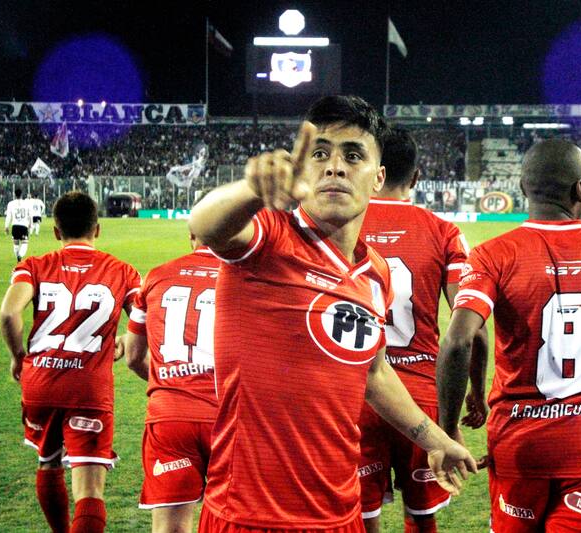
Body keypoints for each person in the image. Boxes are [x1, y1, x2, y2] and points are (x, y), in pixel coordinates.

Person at [188, 95, 477, 533]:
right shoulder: (269, 236)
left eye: (353, 155)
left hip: (340, 515)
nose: (335, 167)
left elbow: (375, 372)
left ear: (378, 178)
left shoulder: (374, 272)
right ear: (302, 169)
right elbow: (207, 225)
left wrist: (435, 440)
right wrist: (251, 189)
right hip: (250, 515)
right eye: (320, 153)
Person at [437, 139, 581, 532]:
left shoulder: (491, 254)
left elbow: (457, 341)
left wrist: (447, 428)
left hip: (520, 449)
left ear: (522, 188)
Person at [357, 127, 487, 533]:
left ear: (374, 172)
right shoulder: (443, 231)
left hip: (355, 395)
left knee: (360, 516)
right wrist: (476, 392)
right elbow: (473, 329)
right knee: (422, 515)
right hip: (420, 397)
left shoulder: (340, 224)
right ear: (415, 178)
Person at [0, 191, 141, 533]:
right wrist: (125, 341)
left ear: (56, 231)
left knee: (48, 463)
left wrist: (18, 356)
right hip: (88, 387)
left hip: (41, 381)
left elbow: (8, 313)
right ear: (98, 229)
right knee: (90, 489)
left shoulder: (33, 266)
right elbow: (148, 320)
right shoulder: (123, 271)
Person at [124, 233, 220, 533]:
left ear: (193, 235)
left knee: (170, 529)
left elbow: (133, 356)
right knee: (232, 522)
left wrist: (172, 381)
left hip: (170, 417)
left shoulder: (156, 276)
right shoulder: (251, 276)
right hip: (230, 419)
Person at [5, 188, 33, 262]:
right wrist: (31, 224)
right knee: (25, 243)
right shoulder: (27, 203)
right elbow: (30, 215)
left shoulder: (10, 203)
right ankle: (20, 256)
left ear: (14, 194)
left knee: (16, 244)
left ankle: (17, 257)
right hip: (24, 226)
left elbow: (8, 216)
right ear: (21, 194)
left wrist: (6, 226)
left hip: (15, 226)